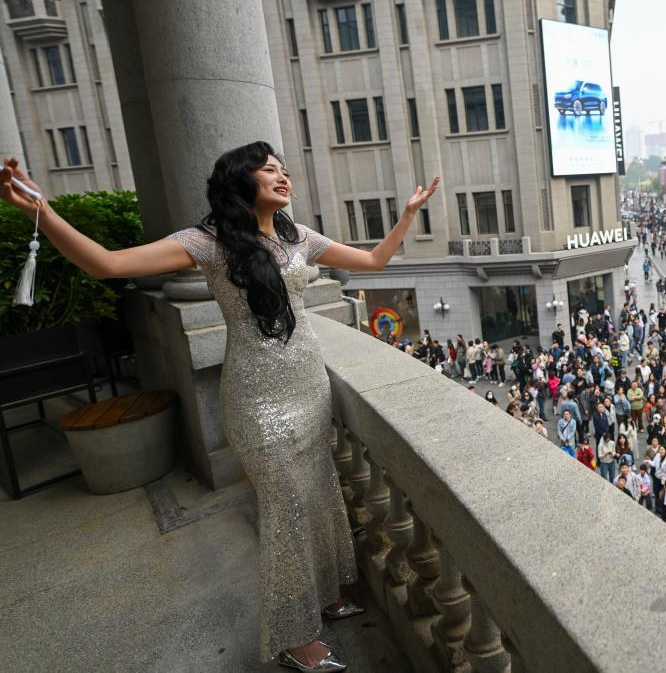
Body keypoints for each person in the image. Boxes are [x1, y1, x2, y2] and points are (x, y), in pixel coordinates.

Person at [0, 146, 439, 670]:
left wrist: (408, 215)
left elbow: (373, 262)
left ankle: (322, 598)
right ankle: (293, 639)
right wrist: (42, 213)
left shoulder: (298, 236)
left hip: (309, 388)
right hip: (258, 402)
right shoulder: (207, 243)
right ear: (239, 179)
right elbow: (107, 265)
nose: (282, 175)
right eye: (269, 168)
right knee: (287, 513)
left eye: (284, 169)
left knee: (319, 495)